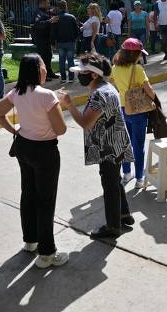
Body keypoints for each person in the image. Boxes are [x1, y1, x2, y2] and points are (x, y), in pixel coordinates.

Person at [0, 55, 69, 268]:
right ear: (37, 70)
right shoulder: (47, 95)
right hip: (44, 151)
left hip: (24, 147)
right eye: (44, 65)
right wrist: (60, 106)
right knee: (46, 200)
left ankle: (31, 240)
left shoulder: (16, 92)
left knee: (28, 193)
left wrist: (14, 129)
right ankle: (47, 253)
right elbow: (61, 129)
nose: (46, 69)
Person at [60, 53, 135, 239]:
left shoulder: (100, 94)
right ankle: (124, 214)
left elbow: (86, 123)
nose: (79, 76)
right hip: (115, 143)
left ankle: (113, 226)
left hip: (109, 147)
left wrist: (69, 105)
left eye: (82, 72)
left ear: (93, 75)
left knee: (109, 185)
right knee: (114, 180)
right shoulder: (106, 87)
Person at [111, 38, 156, 188]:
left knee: (126, 143)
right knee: (138, 145)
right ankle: (139, 178)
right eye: (139, 54)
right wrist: (154, 98)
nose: (140, 56)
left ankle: (126, 174)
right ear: (134, 54)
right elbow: (148, 89)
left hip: (123, 108)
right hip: (138, 111)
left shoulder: (115, 68)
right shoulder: (137, 69)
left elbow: (114, 85)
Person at [51, 0, 79, 84]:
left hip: (60, 42)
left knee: (61, 60)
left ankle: (63, 78)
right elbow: (76, 30)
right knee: (70, 60)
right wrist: (75, 38)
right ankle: (71, 78)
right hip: (70, 42)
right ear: (66, 6)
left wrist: (53, 42)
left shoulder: (56, 18)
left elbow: (53, 31)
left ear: (58, 8)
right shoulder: (71, 17)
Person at [31, 0, 59, 81]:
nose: (49, 4)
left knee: (49, 56)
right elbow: (38, 24)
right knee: (43, 57)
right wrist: (50, 21)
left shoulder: (45, 12)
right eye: (47, 3)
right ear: (42, 3)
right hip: (40, 38)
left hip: (46, 38)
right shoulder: (38, 13)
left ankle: (49, 73)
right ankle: (43, 75)